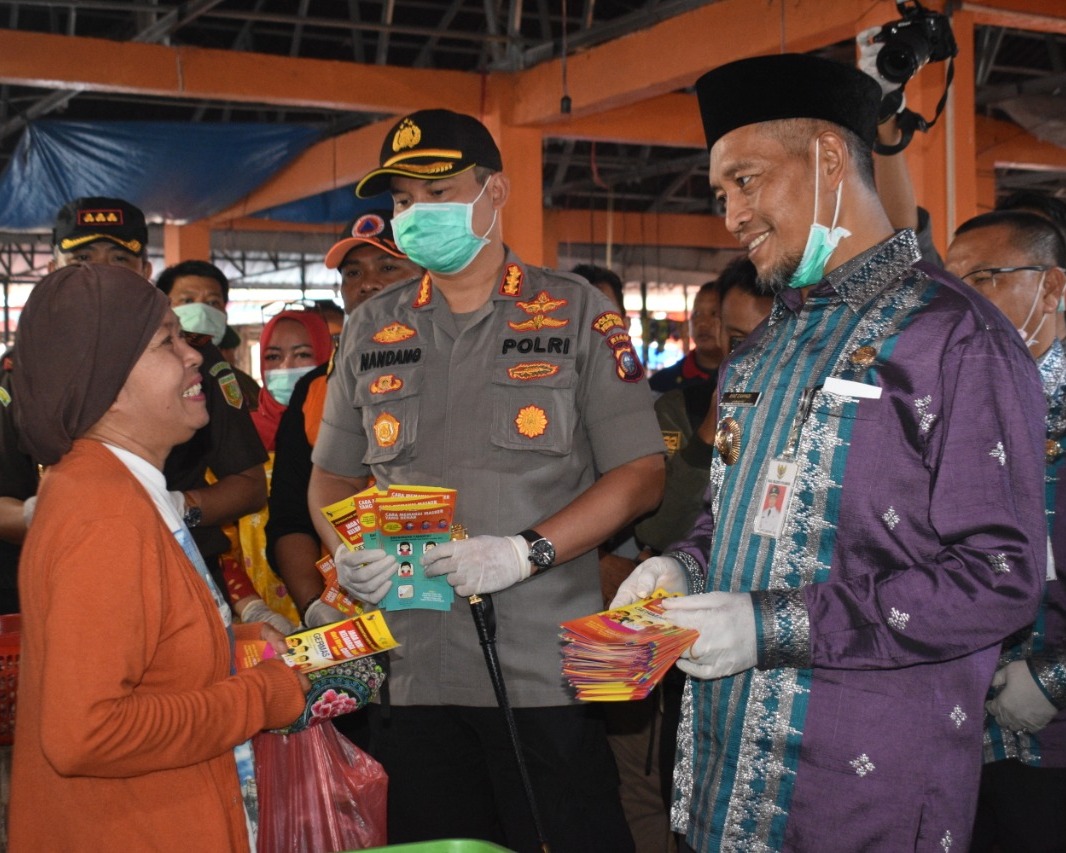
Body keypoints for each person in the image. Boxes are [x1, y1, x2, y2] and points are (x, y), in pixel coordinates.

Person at [612, 54, 1047, 852]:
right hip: (722, 779)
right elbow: (734, 513)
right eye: (719, 194)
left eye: (747, 180)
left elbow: (1000, 576)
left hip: (862, 796)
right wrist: (683, 566)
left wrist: (774, 625)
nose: (731, 214)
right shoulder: (760, 350)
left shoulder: (956, 340)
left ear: (830, 156)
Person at [309, 108, 664, 851]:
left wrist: (522, 551)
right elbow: (333, 475)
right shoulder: (373, 329)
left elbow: (640, 474)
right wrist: (347, 549)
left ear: (494, 190)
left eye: (437, 192)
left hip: (542, 673)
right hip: (410, 673)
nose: (415, 215)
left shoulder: (576, 314)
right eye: (403, 202)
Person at [8, 264, 306, 850]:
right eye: (165, 341)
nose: (194, 355)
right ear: (105, 380)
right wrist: (263, 695)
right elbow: (87, 733)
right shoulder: (105, 514)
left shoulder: (119, 489)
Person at [943, 210, 1066, 852]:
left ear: (1051, 288)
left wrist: (1057, 678)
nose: (963, 300)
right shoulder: (947, 399)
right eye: (951, 281)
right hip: (960, 735)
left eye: (986, 277)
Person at [266, 209, 421, 629]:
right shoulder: (316, 388)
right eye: (352, 273)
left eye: (387, 266)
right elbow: (291, 516)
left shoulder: (462, 368)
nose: (367, 283)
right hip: (349, 604)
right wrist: (315, 606)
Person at [158, 259, 261, 410]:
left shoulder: (243, 385)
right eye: (188, 300)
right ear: (162, 307)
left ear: (225, 312)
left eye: (213, 303)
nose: (202, 312)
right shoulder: (149, 376)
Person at [649, 282, 722, 394]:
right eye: (696, 314)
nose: (702, 323)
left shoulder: (748, 379)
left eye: (713, 313)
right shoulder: (661, 384)